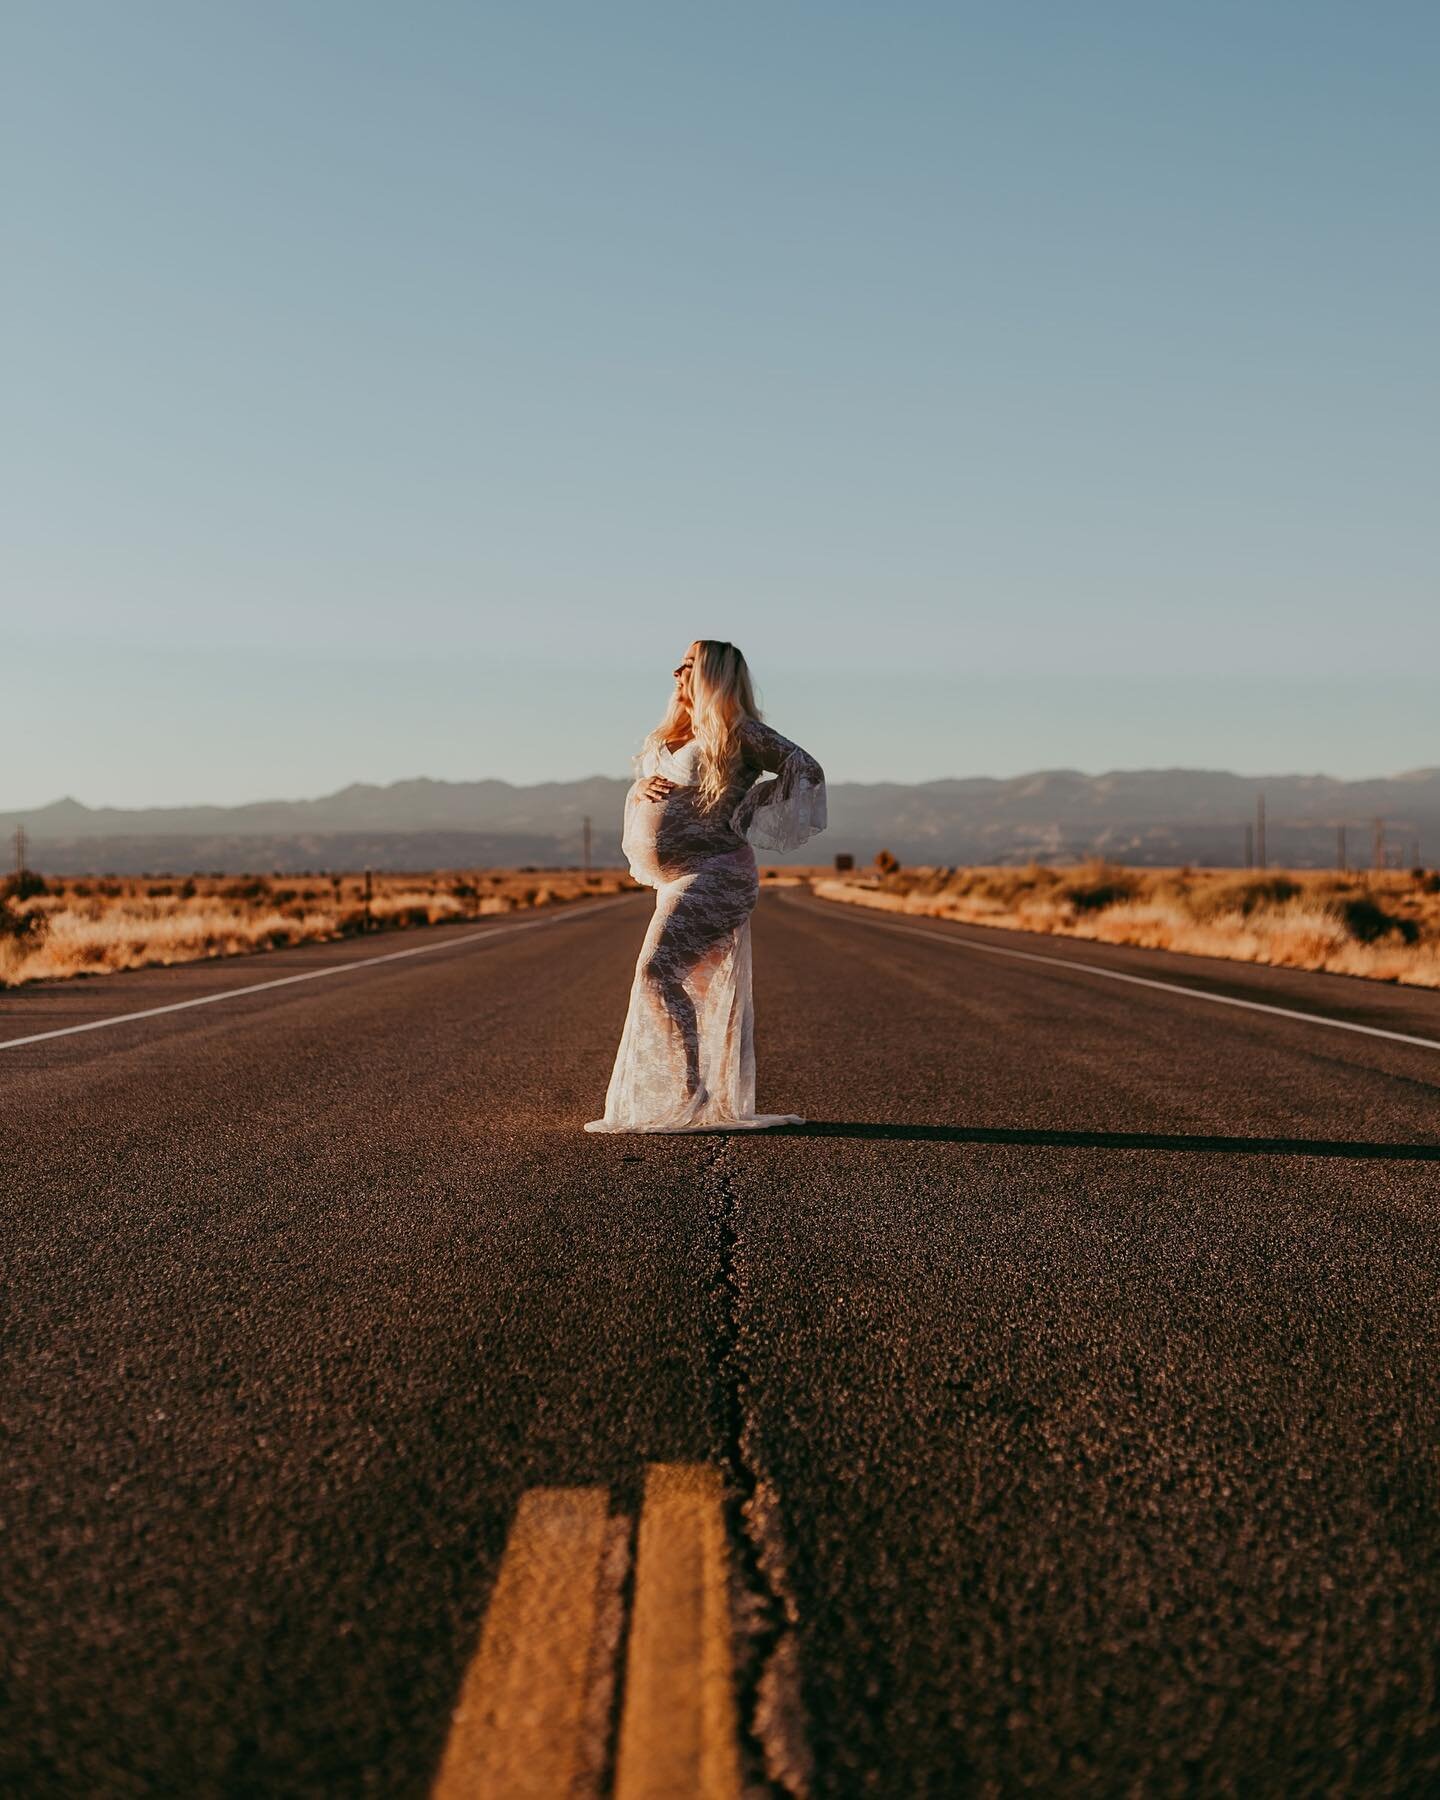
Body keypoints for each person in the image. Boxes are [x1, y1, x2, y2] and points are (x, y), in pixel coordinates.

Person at [584, 639, 826, 1134]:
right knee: (678, 980)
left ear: (714, 674)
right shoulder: (670, 733)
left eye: (689, 665)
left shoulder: (738, 732)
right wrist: (640, 788)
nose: (676, 671)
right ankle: (698, 1091)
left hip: (718, 870)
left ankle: (690, 1091)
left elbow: (806, 769)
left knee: (656, 972)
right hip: (677, 878)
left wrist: (749, 808)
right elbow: (651, 794)